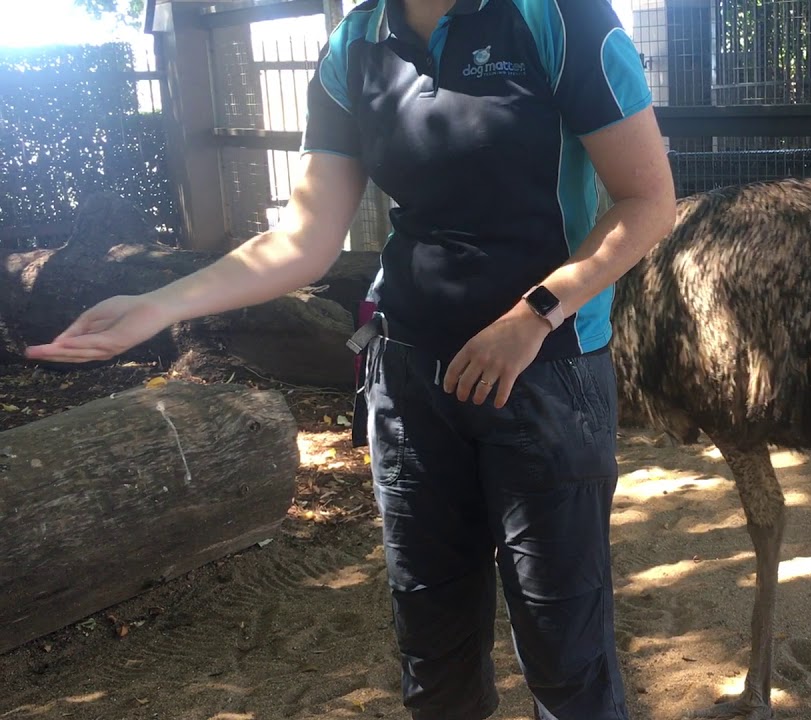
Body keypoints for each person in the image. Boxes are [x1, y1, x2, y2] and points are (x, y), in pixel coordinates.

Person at [26, 1, 677, 718]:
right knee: (433, 657)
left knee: (566, 657)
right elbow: (306, 236)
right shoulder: (357, 43)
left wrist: (533, 315)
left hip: (544, 376)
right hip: (409, 382)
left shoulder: (558, 18)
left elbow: (647, 200)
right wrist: (162, 304)